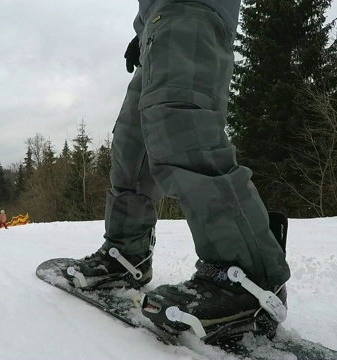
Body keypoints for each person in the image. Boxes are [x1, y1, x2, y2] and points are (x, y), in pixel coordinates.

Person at [60, 0, 291, 336]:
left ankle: (247, 278)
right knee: (131, 146)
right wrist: (141, 32)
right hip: (156, 24)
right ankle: (127, 254)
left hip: (192, 10)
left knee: (183, 130)